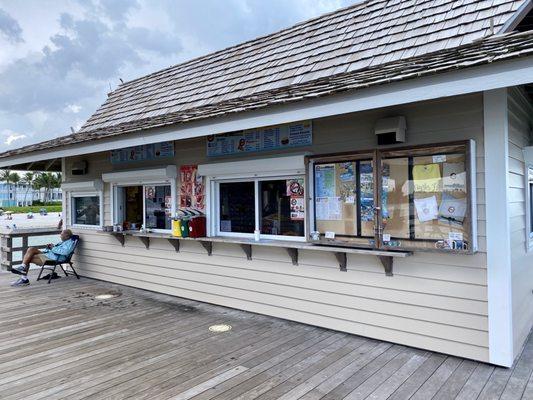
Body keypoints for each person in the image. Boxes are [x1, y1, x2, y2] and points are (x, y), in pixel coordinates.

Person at [10, 229, 76, 287]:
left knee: (31, 250)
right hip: (49, 255)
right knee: (27, 257)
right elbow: (57, 249)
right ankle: (23, 277)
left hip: (55, 258)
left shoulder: (70, 243)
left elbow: (65, 252)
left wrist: (53, 247)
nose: (60, 236)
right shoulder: (63, 242)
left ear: (67, 236)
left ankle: (23, 276)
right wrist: (49, 248)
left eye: (61, 235)